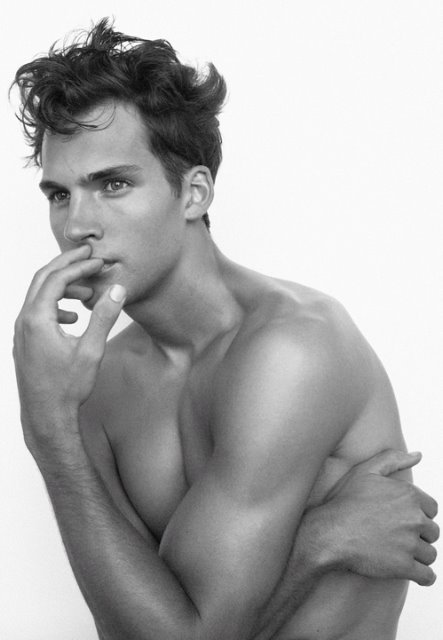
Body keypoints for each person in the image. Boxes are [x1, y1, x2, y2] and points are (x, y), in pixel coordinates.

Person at [12, 19, 439, 640]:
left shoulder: (293, 348)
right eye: (59, 195)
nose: (78, 225)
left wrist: (54, 430)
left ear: (194, 193)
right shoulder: (92, 383)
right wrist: (318, 543)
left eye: (113, 184)